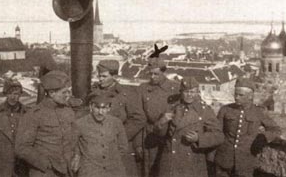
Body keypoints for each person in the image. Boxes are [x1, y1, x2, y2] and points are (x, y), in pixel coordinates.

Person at [154, 77, 224, 177]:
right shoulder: (172, 107)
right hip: (170, 160)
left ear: (197, 92)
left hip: (192, 161)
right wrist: (161, 122)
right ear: (181, 92)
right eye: (186, 92)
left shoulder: (204, 110)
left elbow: (219, 136)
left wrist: (199, 138)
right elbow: (161, 134)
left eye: (193, 92)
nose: (189, 95)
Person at [129, 47, 180, 177]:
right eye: (150, 74)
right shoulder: (142, 89)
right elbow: (138, 119)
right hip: (150, 137)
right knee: (150, 171)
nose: (152, 77)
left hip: (169, 137)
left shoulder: (175, 88)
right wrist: (137, 144)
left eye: (156, 74)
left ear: (163, 72)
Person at [214, 78, 281, 177]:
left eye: (241, 95)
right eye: (235, 94)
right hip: (224, 160)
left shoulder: (258, 112)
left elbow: (275, 129)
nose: (236, 97)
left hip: (245, 162)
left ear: (250, 96)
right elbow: (216, 131)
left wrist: (264, 137)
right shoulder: (225, 110)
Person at [16, 70, 75, 177]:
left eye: (69, 92)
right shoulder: (34, 114)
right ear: (51, 93)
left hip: (67, 171)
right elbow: (22, 148)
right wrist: (46, 164)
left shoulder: (68, 111)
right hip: (44, 173)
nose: (68, 95)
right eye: (64, 92)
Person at [91, 59, 143, 177]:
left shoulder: (125, 94)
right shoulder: (94, 92)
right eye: (99, 76)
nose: (100, 79)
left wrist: (120, 135)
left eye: (104, 76)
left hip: (118, 146)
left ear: (114, 76)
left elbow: (138, 118)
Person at [70, 93, 128, 177]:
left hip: (113, 169)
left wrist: (112, 161)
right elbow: (72, 145)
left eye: (104, 108)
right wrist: (77, 156)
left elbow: (123, 146)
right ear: (91, 107)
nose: (100, 112)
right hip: (90, 170)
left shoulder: (116, 122)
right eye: (97, 108)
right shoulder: (80, 124)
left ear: (109, 108)